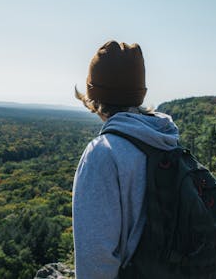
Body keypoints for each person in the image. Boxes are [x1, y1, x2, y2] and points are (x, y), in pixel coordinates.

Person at [72, 40, 179, 278]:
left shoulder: (103, 153)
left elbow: (96, 258)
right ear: (140, 93)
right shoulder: (167, 141)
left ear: (93, 95)